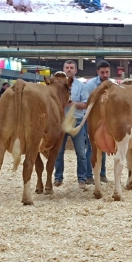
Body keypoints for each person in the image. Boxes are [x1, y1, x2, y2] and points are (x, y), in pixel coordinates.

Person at [54, 61, 88, 190]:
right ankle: (58, 178)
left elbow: (85, 104)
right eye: (67, 68)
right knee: (58, 152)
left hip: (76, 121)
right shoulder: (57, 85)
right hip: (60, 122)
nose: (69, 70)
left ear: (75, 70)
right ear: (63, 69)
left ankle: (82, 179)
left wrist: (72, 104)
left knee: (80, 152)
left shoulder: (81, 86)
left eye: (71, 68)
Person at [83, 60, 111, 183]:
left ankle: (102, 174)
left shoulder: (112, 84)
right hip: (92, 120)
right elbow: (86, 103)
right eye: (102, 72)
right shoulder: (90, 85)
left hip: (106, 120)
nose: (105, 75)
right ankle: (89, 175)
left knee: (104, 146)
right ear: (97, 72)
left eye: (107, 72)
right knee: (91, 147)